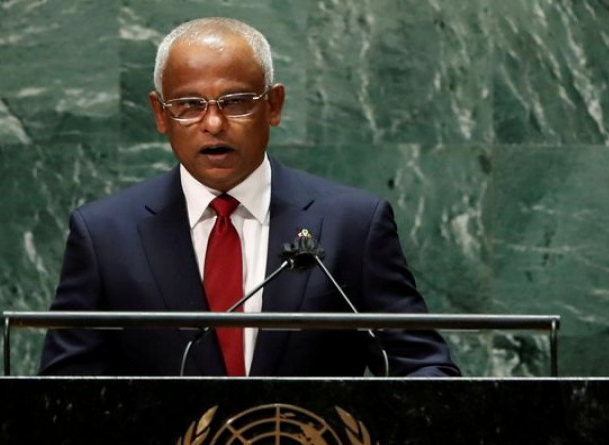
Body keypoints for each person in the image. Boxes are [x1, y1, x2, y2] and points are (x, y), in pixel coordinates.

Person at [38, 17, 460, 377]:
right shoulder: (105, 234)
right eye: (188, 105)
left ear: (274, 105)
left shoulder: (353, 224)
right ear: (160, 115)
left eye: (237, 101)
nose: (215, 123)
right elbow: (63, 390)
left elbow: (423, 366)